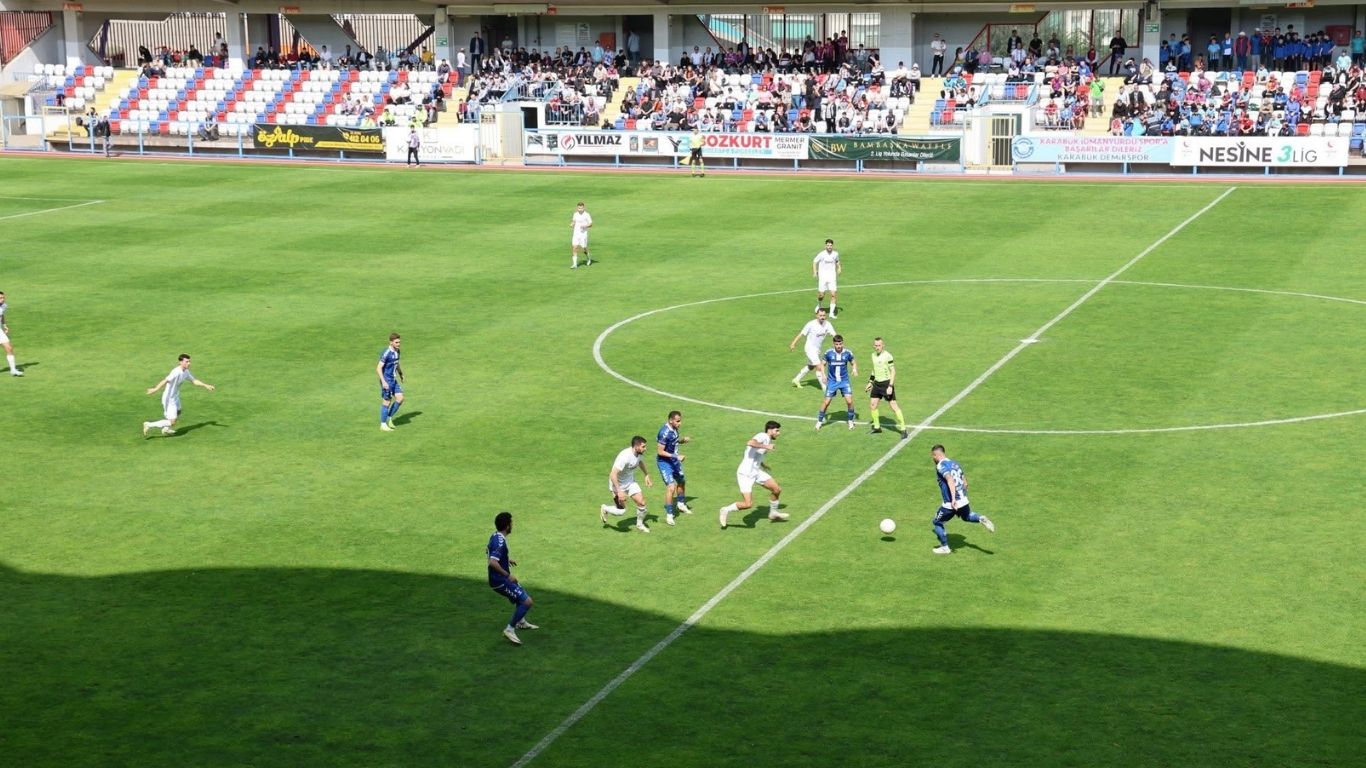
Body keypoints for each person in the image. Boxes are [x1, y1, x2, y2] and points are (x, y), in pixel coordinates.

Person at [719, 421, 787, 529]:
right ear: (770, 430)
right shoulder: (763, 436)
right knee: (748, 504)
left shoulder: (767, 439)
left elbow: (755, 453)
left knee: (776, 489)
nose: (778, 433)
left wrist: (763, 465)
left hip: (756, 471)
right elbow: (750, 442)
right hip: (745, 473)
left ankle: (773, 513)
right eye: (777, 430)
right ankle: (725, 510)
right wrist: (767, 446)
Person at [929, 444, 995, 554]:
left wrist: (954, 499)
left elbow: (950, 479)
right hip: (963, 500)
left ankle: (945, 547)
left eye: (933, 456)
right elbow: (965, 482)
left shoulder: (941, 465)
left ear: (937, 454)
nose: (933, 458)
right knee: (967, 516)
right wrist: (962, 495)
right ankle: (981, 518)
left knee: (937, 522)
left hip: (951, 503)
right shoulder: (955, 463)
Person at [487, 511, 538, 645]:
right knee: (527, 602)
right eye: (511, 523)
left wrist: (506, 559)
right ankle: (509, 629)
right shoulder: (501, 544)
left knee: (519, 592)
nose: (512, 525)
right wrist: (508, 575)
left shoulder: (495, 536)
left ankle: (521, 622)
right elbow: (492, 562)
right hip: (499, 581)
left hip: (498, 578)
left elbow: (488, 550)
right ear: (507, 526)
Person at [142, 354, 215, 436]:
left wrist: (206, 385)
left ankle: (166, 429)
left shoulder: (186, 372)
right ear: (181, 362)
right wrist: (155, 389)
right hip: (169, 399)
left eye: (189, 361)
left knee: (179, 411)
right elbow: (165, 380)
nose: (189, 363)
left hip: (175, 396)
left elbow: (194, 381)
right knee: (172, 422)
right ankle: (148, 424)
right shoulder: (176, 372)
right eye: (187, 361)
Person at [600, 435, 654, 533]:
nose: (645, 449)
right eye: (643, 446)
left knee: (642, 503)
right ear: (636, 446)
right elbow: (613, 474)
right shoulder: (624, 456)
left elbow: (640, 462)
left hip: (630, 482)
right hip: (617, 484)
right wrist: (619, 491)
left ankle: (639, 524)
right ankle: (605, 508)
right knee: (621, 511)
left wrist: (646, 475)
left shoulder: (639, 453)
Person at [866, 336, 908, 438]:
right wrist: (870, 382)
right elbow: (874, 370)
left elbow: (893, 371)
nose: (877, 347)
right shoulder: (873, 355)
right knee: (872, 405)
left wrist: (890, 386)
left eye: (879, 345)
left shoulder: (888, 356)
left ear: (883, 345)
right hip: (877, 384)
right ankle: (877, 427)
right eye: (875, 345)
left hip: (886, 384)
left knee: (893, 405)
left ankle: (903, 429)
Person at [656, 410, 692, 526]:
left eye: (680, 421)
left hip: (674, 461)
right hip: (665, 463)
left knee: (681, 481)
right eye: (677, 421)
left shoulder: (674, 429)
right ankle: (669, 515)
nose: (680, 423)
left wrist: (682, 441)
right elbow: (660, 451)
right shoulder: (664, 433)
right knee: (671, 487)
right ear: (670, 420)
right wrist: (676, 456)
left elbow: (673, 443)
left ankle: (681, 504)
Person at [816, 335, 858, 431]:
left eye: (840, 344)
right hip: (832, 381)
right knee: (826, 402)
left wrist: (854, 369)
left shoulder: (847, 353)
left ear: (842, 343)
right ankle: (819, 421)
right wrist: (823, 374)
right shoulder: (829, 353)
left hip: (844, 381)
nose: (838, 346)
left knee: (849, 401)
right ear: (833, 344)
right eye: (836, 344)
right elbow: (822, 364)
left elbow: (853, 362)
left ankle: (850, 421)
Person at [788, 306, 836, 388]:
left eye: (824, 315)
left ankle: (796, 379)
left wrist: (838, 344)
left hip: (817, 349)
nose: (822, 317)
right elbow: (802, 334)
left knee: (811, 366)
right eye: (820, 315)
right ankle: (825, 388)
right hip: (809, 348)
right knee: (819, 366)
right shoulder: (811, 324)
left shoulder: (828, 324)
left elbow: (834, 334)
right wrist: (793, 343)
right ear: (816, 315)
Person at [376, 332, 404, 432]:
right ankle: (383, 425)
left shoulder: (397, 351)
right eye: (396, 342)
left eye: (399, 342)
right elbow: (378, 368)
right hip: (386, 381)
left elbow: (396, 363)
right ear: (391, 342)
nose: (398, 344)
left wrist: (400, 373)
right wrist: (383, 382)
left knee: (400, 398)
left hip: (393, 379)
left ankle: (389, 416)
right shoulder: (386, 353)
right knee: (387, 402)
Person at [812, 238, 842, 317]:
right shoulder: (821, 254)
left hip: (832, 277)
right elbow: (815, 262)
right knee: (821, 295)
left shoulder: (835, 254)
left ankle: (831, 313)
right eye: (828, 245)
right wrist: (815, 272)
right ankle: (819, 305)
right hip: (823, 277)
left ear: (832, 246)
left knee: (833, 294)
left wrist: (839, 268)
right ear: (825, 246)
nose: (829, 247)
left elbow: (837, 261)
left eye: (831, 245)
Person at [0, 291, 23, 376]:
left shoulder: (4, 306)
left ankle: (13, 370)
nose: (2, 299)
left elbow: (1, 315)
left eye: (3, 297)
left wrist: (4, 325)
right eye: (0, 298)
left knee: (9, 348)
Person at [570, 200, 593, 269]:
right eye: (579, 208)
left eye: (581, 208)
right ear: (577, 208)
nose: (580, 209)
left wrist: (585, 226)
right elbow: (574, 221)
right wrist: (572, 224)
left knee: (584, 248)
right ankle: (575, 264)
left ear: (584, 208)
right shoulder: (575, 214)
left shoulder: (587, 215)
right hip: (576, 234)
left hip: (583, 234)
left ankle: (589, 258)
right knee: (574, 247)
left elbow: (591, 224)